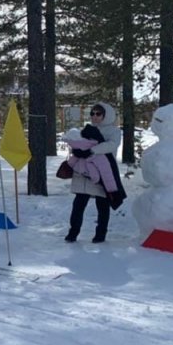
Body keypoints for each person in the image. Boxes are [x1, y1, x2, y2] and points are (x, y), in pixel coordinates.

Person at [64, 102, 125, 243]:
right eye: (92, 113)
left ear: (106, 115)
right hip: (83, 172)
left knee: (102, 205)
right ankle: (73, 233)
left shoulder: (113, 131)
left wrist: (92, 150)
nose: (94, 116)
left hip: (102, 172)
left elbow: (111, 145)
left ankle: (100, 234)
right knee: (78, 204)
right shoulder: (87, 129)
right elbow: (77, 142)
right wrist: (77, 149)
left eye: (98, 114)